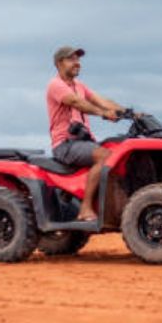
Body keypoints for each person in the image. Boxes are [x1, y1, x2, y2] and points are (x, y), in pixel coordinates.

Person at [46, 45, 126, 222]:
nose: (77, 63)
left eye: (78, 59)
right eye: (71, 59)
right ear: (59, 63)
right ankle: (85, 208)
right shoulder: (56, 85)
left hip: (84, 142)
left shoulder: (79, 86)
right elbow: (76, 102)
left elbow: (102, 101)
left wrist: (127, 112)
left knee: (118, 153)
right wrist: (103, 113)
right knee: (105, 157)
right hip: (66, 144)